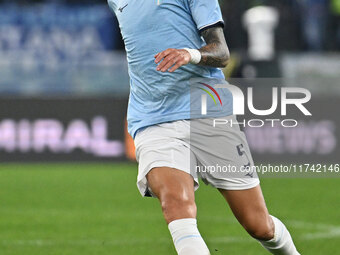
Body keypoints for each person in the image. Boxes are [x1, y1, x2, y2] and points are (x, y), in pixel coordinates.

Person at [108, 0, 301, 254]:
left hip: (207, 113)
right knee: (176, 205)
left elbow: (221, 53)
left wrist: (191, 54)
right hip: (152, 118)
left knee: (259, 226)